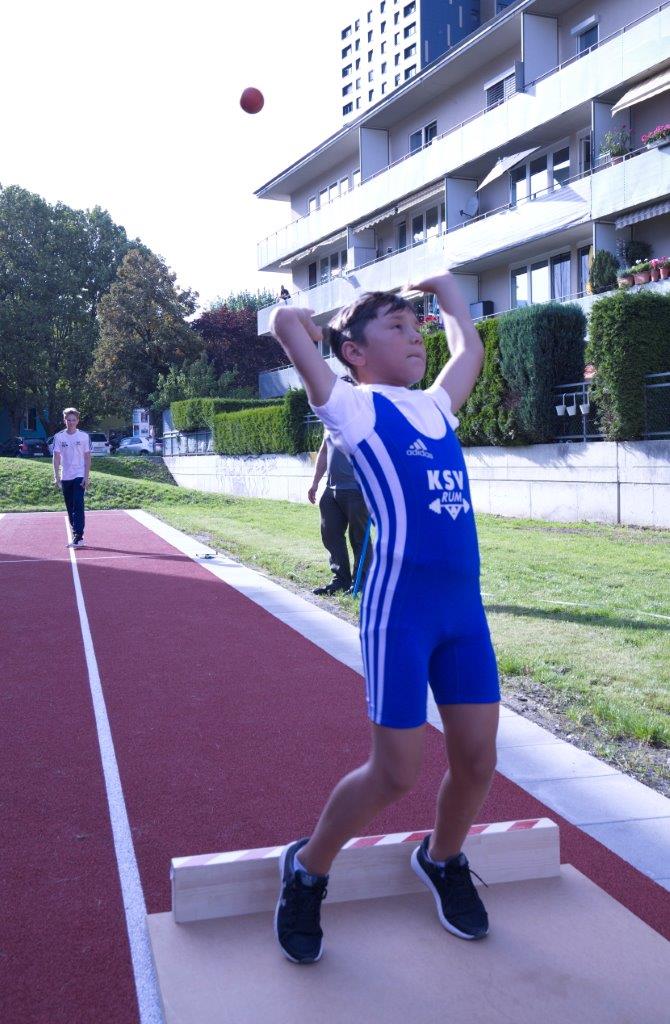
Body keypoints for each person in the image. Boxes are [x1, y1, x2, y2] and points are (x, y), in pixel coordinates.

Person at [269, 273, 499, 964]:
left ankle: (442, 857)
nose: (415, 336)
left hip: (463, 614)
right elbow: (286, 327)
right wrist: (303, 320)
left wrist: (449, 293)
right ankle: (308, 868)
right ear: (355, 352)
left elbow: (469, 352)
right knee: (396, 772)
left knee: (477, 760)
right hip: (400, 613)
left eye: (416, 325)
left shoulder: (436, 408)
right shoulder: (353, 407)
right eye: (396, 327)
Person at [308, 386, 371, 597]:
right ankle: (340, 580)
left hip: (357, 490)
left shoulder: (365, 419)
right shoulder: (330, 421)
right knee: (330, 534)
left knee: (359, 538)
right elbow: (324, 452)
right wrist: (315, 482)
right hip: (331, 489)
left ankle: (361, 582)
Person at [52, 407, 91, 548]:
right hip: (66, 476)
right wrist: (56, 476)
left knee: (78, 504)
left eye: (73, 420)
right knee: (70, 507)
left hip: (79, 475)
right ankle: (77, 534)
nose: (71, 422)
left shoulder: (84, 436)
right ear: (64, 421)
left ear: (78, 421)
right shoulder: (59, 437)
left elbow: (87, 457)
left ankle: (78, 536)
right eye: (68, 420)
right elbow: (56, 457)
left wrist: (86, 477)